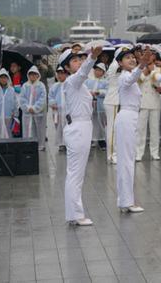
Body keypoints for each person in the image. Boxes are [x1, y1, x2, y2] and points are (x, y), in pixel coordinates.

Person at [59, 45, 103, 226]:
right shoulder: (72, 80)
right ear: (67, 67)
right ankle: (76, 214)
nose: (79, 62)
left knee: (76, 173)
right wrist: (92, 57)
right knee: (75, 174)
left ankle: (74, 213)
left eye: (80, 59)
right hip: (78, 128)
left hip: (81, 127)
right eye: (74, 60)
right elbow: (84, 72)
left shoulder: (77, 83)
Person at [115, 45, 154, 213]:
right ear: (119, 63)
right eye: (126, 58)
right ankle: (126, 201)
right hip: (126, 117)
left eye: (133, 56)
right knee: (126, 161)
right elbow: (131, 79)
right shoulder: (123, 77)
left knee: (128, 160)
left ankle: (126, 200)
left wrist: (141, 65)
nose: (131, 59)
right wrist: (141, 65)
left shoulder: (129, 75)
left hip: (131, 117)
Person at [138, 46, 161, 160]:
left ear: (154, 56)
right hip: (142, 102)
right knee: (140, 129)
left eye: (151, 54)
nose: (149, 56)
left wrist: (160, 87)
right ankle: (139, 152)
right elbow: (138, 81)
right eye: (146, 54)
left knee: (154, 129)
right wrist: (147, 70)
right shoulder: (139, 67)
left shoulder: (159, 68)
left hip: (154, 101)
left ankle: (154, 152)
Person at [20, 66, 47, 150]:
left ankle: (40, 145)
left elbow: (42, 98)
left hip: (39, 114)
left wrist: (35, 108)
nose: (33, 76)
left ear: (37, 75)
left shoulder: (41, 86)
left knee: (40, 130)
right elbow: (22, 98)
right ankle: (27, 144)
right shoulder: (25, 86)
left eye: (34, 74)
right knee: (27, 129)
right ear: (28, 75)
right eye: (31, 75)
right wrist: (28, 108)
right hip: (27, 114)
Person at [0, 69, 18, 139]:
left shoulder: (11, 90)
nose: (3, 79)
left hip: (8, 116)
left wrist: (15, 113)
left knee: (8, 133)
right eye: (1, 78)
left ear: (7, 78)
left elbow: (15, 102)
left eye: (5, 77)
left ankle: (8, 149)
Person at [85, 63, 108, 150]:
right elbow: (85, 89)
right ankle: (92, 139)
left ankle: (102, 140)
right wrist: (90, 92)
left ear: (103, 72)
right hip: (91, 104)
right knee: (92, 122)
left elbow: (107, 91)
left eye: (100, 70)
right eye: (96, 70)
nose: (97, 72)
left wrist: (99, 92)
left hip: (100, 105)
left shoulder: (106, 82)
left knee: (101, 122)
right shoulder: (89, 81)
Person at [103, 56, 120, 164]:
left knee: (113, 128)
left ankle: (112, 153)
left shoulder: (115, 65)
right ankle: (112, 155)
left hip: (114, 100)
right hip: (113, 100)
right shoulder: (116, 65)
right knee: (113, 129)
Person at [49, 67, 68, 152]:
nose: (60, 75)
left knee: (68, 126)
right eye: (58, 73)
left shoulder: (69, 84)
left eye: (62, 73)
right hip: (57, 111)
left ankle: (68, 143)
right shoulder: (54, 86)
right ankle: (61, 143)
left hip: (67, 111)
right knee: (59, 127)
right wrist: (53, 103)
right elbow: (50, 96)